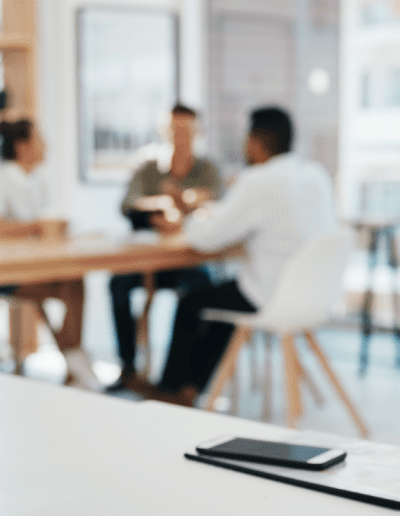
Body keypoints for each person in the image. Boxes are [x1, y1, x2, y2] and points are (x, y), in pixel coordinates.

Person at [130, 106, 336, 406]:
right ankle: (190, 389)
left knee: (192, 304)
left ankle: (172, 390)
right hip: (315, 296)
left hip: (269, 294)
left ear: (256, 141)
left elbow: (206, 238)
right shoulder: (316, 175)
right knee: (221, 304)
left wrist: (186, 216)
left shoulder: (259, 180)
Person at [108, 104, 224, 389]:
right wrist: (157, 211)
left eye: (186, 130)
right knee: (117, 284)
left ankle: (177, 381)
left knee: (200, 292)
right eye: (175, 130)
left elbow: (219, 204)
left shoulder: (207, 170)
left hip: (189, 262)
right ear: (165, 132)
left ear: (197, 132)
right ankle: (128, 368)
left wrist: (184, 204)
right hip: (148, 261)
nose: (180, 137)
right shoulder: (148, 169)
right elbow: (127, 204)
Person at [0, 118, 99, 389]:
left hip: (33, 268)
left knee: (74, 280)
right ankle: (75, 361)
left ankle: (74, 361)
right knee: (67, 287)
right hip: (2, 273)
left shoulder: (38, 181)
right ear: (23, 146)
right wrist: (37, 226)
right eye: (40, 140)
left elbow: (40, 227)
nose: (46, 146)